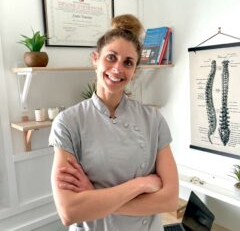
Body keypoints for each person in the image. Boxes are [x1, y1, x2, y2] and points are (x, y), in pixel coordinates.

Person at [49, 15, 179, 231]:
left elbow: (169, 200)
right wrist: (141, 184)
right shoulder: (68, 123)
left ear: (135, 70)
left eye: (128, 63)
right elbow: (69, 211)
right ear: (95, 59)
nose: (118, 68)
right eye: (111, 57)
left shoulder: (153, 120)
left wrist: (93, 198)